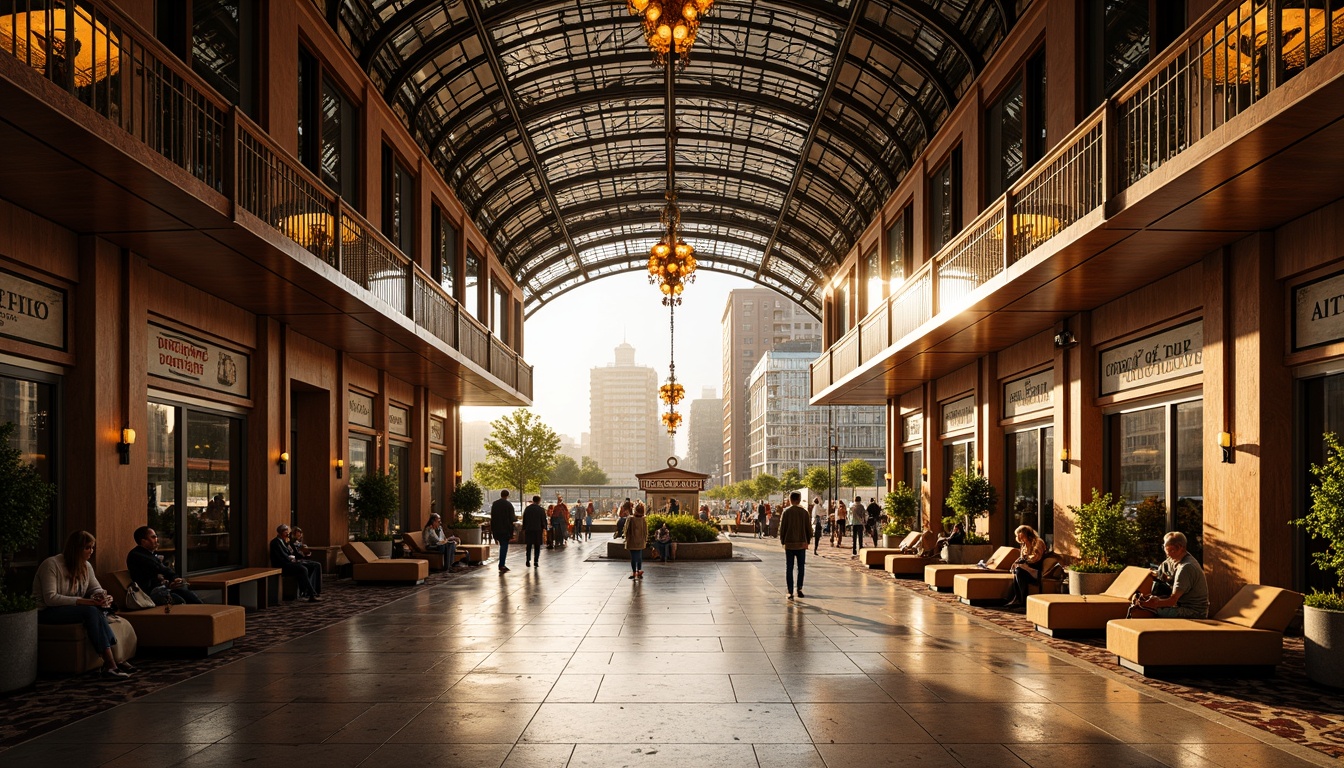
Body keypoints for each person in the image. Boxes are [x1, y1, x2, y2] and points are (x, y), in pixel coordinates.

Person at [34, 531, 136, 681]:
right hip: (47, 611)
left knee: (99, 610)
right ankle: (111, 664)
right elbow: (51, 599)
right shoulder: (51, 565)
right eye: (87, 548)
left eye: (92, 547)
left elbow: (94, 588)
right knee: (91, 611)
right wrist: (86, 601)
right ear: (76, 548)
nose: (91, 551)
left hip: (69, 609)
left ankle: (114, 661)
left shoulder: (86, 566)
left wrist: (103, 596)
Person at [1127, 531, 1209, 619]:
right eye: (1165, 549)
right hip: (1179, 603)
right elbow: (1159, 575)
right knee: (1143, 601)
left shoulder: (1186, 568)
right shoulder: (1171, 560)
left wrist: (1150, 603)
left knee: (1144, 608)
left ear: (1181, 548)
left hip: (1194, 611)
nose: (1168, 553)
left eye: (1171, 550)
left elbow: (1172, 601)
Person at [127, 525, 202, 604]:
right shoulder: (137, 555)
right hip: (149, 594)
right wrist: (173, 578)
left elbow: (159, 571)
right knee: (180, 600)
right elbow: (160, 568)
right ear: (143, 541)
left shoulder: (148, 554)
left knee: (185, 593)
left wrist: (171, 581)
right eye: (153, 537)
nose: (157, 540)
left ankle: (204, 611)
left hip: (160, 588)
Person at [270, 524, 321, 601]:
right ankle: (311, 593)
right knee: (303, 569)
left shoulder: (284, 541)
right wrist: (291, 558)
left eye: (288, 532)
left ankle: (306, 591)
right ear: (280, 532)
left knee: (310, 566)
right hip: (283, 565)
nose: (287, 534)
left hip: (289, 562)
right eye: (285, 532)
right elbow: (281, 556)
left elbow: (291, 553)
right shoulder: (275, 542)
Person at [1003, 524, 1048, 609]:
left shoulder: (1038, 542)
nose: (1020, 539)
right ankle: (1018, 599)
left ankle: (1020, 599)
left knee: (1019, 570)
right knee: (1018, 570)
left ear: (1026, 534)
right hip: (1026, 570)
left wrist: (1024, 563)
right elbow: (1021, 557)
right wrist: (1016, 563)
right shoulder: (1024, 544)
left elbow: (1036, 558)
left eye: (1021, 537)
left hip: (1036, 570)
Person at [778, 491, 810, 600]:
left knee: (789, 567)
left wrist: (782, 540)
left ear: (790, 500)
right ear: (799, 499)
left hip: (789, 543)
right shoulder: (804, 512)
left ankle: (790, 591)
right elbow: (809, 529)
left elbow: (782, 528)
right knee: (801, 567)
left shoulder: (786, 512)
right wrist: (808, 540)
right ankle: (799, 588)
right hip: (801, 543)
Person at [490, 490, 516, 572]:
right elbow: (512, 518)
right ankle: (501, 564)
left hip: (496, 528)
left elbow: (492, 517)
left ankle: (501, 564)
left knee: (502, 545)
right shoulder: (508, 505)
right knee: (504, 546)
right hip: (505, 529)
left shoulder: (495, 504)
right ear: (507, 495)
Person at [625, 502, 648, 579]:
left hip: (632, 541)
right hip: (641, 541)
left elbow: (626, 530)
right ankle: (639, 570)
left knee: (633, 557)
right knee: (639, 556)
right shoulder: (643, 520)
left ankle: (634, 572)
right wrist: (645, 539)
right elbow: (646, 531)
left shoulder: (630, 519)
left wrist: (626, 538)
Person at [522, 495, 547, 567]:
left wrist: (524, 528)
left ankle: (528, 560)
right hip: (538, 529)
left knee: (529, 545)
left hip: (529, 529)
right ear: (539, 501)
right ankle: (536, 561)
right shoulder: (541, 510)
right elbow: (543, 520)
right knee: (537, 545)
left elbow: (525, 519)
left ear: (533, 500)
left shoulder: (527, 509)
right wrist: (544, 527)